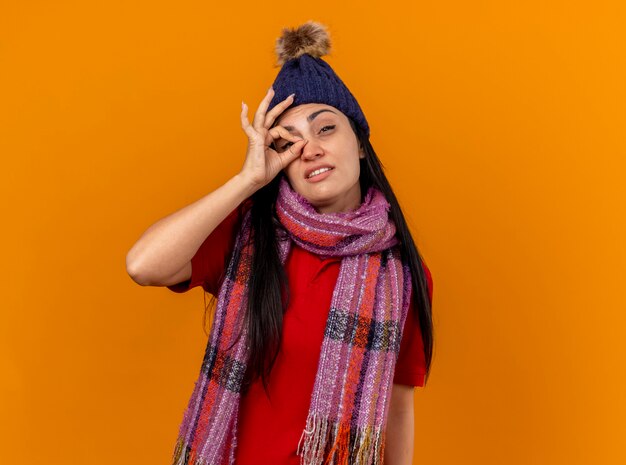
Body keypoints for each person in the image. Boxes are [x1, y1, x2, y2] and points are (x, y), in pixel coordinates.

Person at [126, 21, 434, 465]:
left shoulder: (403, 275)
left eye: (325, 129)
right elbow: (143, 264)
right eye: (289, 142)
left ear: (361, 144)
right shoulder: (248, 237)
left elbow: (398, 410)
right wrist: (247, 180)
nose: (310, 150)